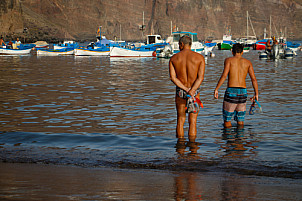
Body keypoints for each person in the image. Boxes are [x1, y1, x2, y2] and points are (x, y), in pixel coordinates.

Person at [214, 43, 258, 128]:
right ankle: (240, 139)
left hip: (231, 91)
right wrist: (256, 94)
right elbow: (254, 79)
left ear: (232, 52)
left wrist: (217, 89)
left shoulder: (228, 60)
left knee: (227, 119)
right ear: (242, 52)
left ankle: (229, 139)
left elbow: (224, 75)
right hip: (243, 92)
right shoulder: (248, 63)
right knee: (240, 119)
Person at [169, 35, 205, 139]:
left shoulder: (173, 58)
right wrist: (192, 90)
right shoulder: (200, 58)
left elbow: (173, 78)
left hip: (181, 92)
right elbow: (200, 78)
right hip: (194, 93)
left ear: (182, 44)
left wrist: (185, 89)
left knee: (180, 120)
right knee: (193, 122)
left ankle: (180, 149)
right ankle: (193, 149)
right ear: (191, 44)